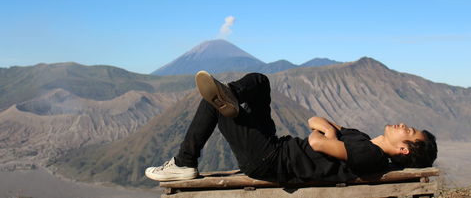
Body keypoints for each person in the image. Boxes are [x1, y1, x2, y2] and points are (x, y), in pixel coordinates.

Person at [145, 71, 437, 183]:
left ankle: (184, 163)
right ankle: (231, 97)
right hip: (274, 147)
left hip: (269, 160)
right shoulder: (360, 139)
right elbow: (314, 122)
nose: (402, 125)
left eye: (408, 131)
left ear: (402, 149)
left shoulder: (371, 156)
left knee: (212, 101)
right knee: (259, 81)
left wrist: (329, 134)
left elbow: (316, 141)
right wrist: (332, 133)